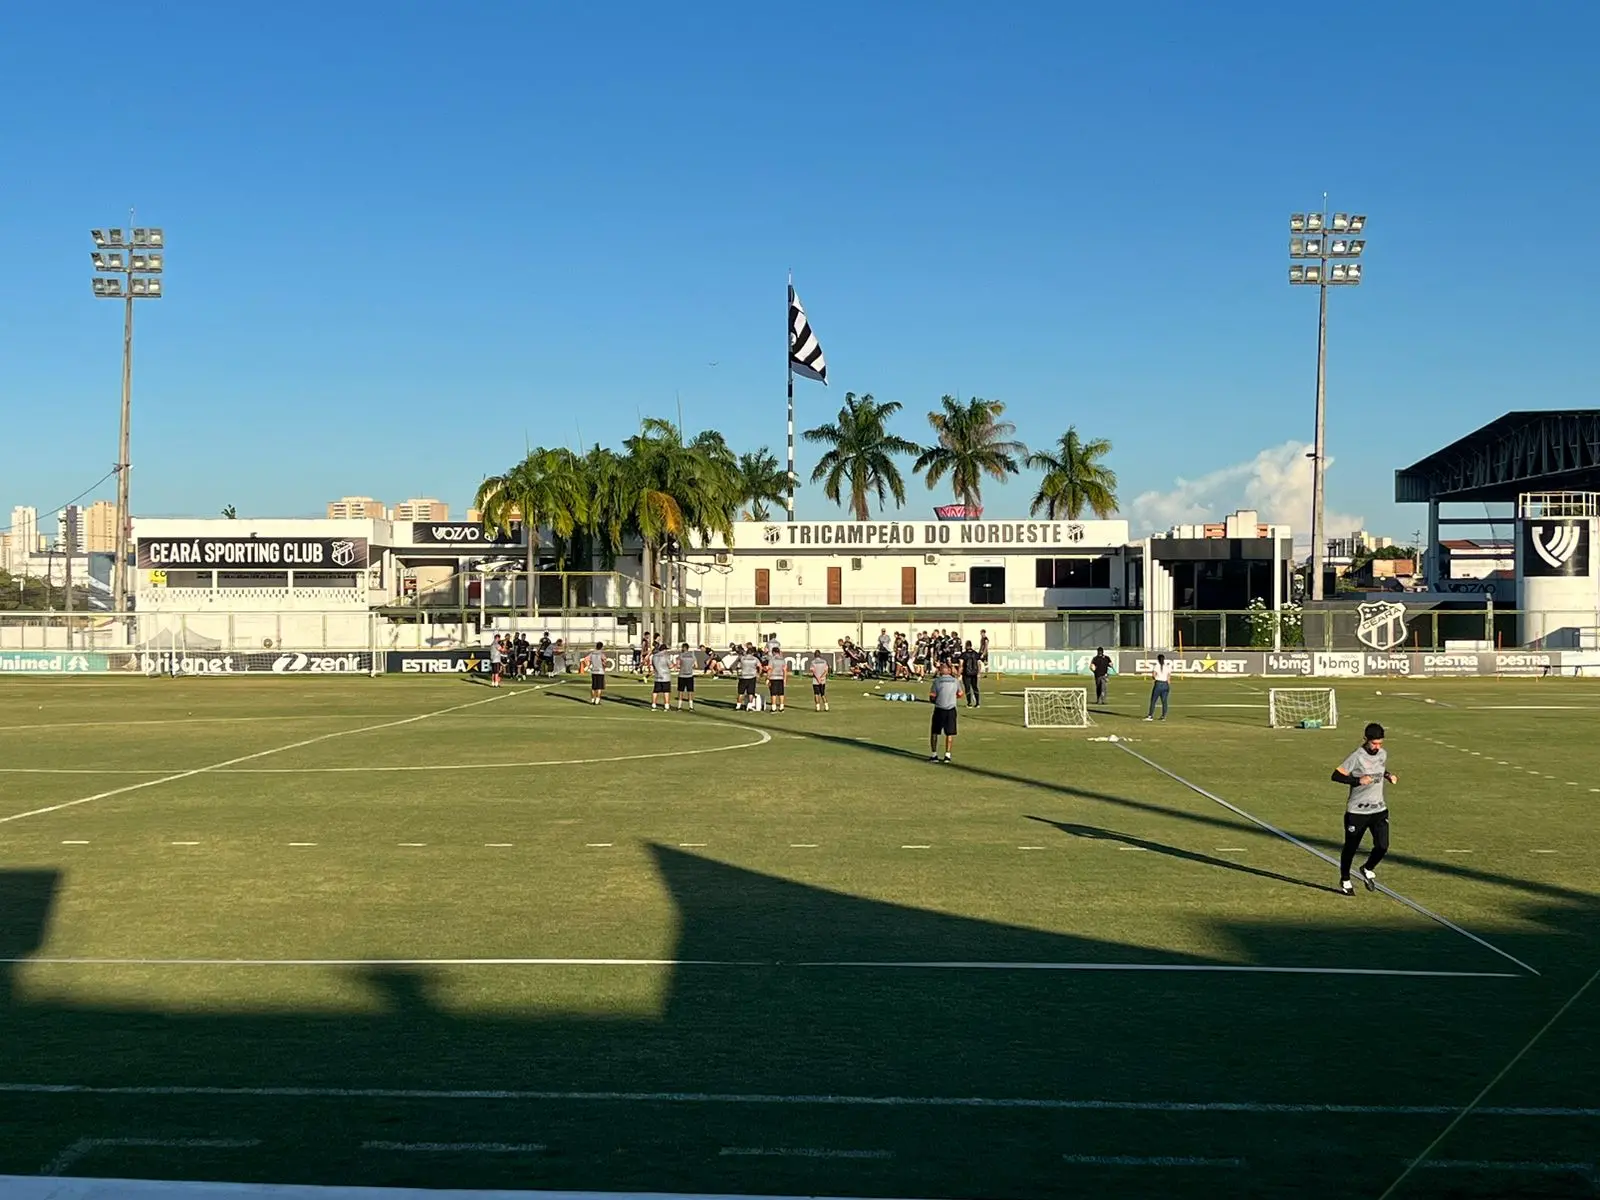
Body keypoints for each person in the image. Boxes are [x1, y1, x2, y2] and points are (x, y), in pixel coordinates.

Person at [1333, 722, 1398, 896]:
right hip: (1357, 812)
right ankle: (1345, 879)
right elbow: (1336, 775)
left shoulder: (1382, 754)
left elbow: (1380, 769)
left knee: (1383, 846)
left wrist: (1388, 775)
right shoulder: (1357, 756)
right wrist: (1357, 781)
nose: (1377, 747)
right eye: (1374, 743)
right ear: (1365, 740)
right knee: (1351, 847)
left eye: (1380, 743)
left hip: (1378, 809)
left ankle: (1367, 868)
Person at [928, 660, 963, 763]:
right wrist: (952, 697)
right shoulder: (955, 681)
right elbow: (960, 694)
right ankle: (947, 755)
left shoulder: (937, 681)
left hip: (939, 709)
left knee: (935, 732)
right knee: (949, 733)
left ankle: (934, 755)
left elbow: (932, 696)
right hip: (951, 709)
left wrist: (938, 700)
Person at [1143, 653, 1172, 721]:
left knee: (1153, 701)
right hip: (1165, 684)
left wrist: (1155, 678)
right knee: (1164, 702)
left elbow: (1153, 675)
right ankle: (1163, 716)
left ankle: (1150, 716)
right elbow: (1168, 678)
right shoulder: (1167, 667)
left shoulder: (1156, 666)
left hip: (1158, 684)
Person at [736, 642, 762, 711]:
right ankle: (749, 706)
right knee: (751, 692)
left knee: (741, 692)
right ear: (752, 653)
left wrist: (738, 674)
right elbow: (760, 667)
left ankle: (738, 705)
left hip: (743, 677)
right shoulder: (755, 659)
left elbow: (738, 667)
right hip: (752, 676)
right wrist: (759, 674)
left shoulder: (742, 658)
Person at [650, 640, 673, 711]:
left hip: (657, 676)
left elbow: (653, 666)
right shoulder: (665, 656)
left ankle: (653, 704)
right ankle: (666, 705)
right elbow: (671, 666)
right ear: (664, 650)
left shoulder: (654, 657)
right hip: (665, 677)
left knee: (655, 691)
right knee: (666, 691)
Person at [960, 640, 983, 708]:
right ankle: (977, 703)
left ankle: (969, 703)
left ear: (966, 646)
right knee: (975, 687)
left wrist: (959, 674)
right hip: (974, 673)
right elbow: (979, 664)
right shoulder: (975, 653)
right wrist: (979, 673)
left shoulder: (964, 654)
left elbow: (961, 665)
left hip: (966, 673)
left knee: (967, 688)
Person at [675, 643, 697, 710]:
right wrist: (690, 666)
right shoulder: (692, 655)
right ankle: (691, 706)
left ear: (683, 648)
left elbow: (678, 666)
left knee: (680, 691)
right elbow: (696, 665)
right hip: (690, 675)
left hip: (682, 675)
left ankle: (679, 706)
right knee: (690, 691)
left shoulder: (681, 655)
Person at [766, 648, 788, 712]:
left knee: (773, 693)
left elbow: (770, 669)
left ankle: (774, 707)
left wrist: (768, 678)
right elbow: (785, 670)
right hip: (780, 678)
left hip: (773, 678)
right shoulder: (782, 660)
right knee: (781, 693)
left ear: (774, 652)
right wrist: (785, 679)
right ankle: (781, 707)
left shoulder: (772, 659)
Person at [588, 641, 607, 705]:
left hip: (593, 671)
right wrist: (604, 667)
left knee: (593, 686)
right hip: (600, 671)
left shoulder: (592, 653)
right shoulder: (601, 654)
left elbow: (587, 659)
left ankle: (593, 699)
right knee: (599, 687)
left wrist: (589, 666)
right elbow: (604, 661)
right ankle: (597, 700)